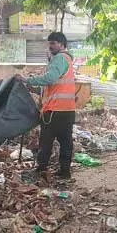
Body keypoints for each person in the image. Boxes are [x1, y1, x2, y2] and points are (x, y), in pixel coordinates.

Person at [16, 32, 76, 182]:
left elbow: (50, 78)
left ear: (62, 44)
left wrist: (26, 79)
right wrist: (35, 89)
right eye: (49, 43)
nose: (50, 46)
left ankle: (41, 169)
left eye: (53, 43)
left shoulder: (59, 58)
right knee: (65, 142)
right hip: (67, 110)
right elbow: (53, 86)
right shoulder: (67, 60)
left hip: (55, 110)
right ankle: (65, 172)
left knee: (46, 141)